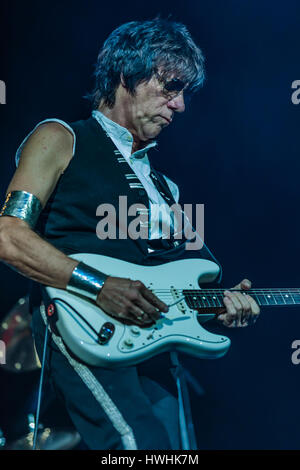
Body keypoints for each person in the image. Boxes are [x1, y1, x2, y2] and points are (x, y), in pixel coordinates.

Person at [0, 18, 260, 450]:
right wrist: (99, 286)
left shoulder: (165, 187)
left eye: (183, 94)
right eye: (169, 87)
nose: (179, 105)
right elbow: (8, 235)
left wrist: (225, 304)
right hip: (83, 324)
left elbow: (182, 282)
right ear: (127, 76)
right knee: (135, 445)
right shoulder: (61, 138)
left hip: (152, 339)